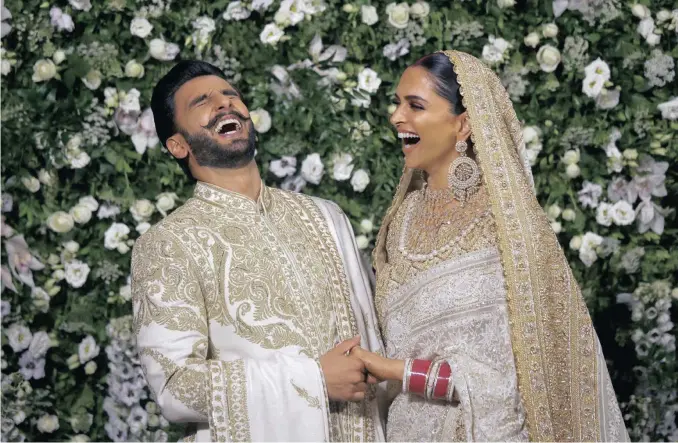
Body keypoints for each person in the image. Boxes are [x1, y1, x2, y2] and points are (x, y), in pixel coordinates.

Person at [351, 50, 630, 442]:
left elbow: (517, 376)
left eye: (415, 105)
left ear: (463, 124)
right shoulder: (398, 224)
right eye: (398, 103)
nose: (397, 117)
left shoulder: (506, 222)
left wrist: (393, 369)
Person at [131, 60, 385, 442]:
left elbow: (375, 338)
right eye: (202, 101)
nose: (224, 104)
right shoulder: (169, 243)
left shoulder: (325, 216)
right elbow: (175, 385)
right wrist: (313, 380)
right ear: (177, 144)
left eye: (231, 94)